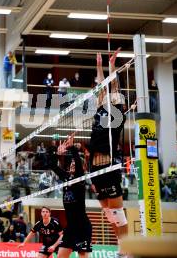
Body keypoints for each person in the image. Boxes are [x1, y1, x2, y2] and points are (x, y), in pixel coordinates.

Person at [89, 48, 128, 257]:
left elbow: (113, 86)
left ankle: (127, 249)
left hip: (109, 165)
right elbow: (101, 87)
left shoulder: (118, 116)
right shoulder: (100, 110)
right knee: (109, 215)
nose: (106, 98)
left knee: (118, 214)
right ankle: (122, 249)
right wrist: (99, 65)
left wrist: (112, 65)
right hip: (95, 168)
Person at [49, 134, 92, 258]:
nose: (72, 165)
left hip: (82, 226)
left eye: (74, 164)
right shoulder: (67, 178)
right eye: (71, 164)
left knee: (82, 255)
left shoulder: (80, 179)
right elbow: (52, 165)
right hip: (70, 228)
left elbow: (78, 162)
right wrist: (58, 153)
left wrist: (72, 147)